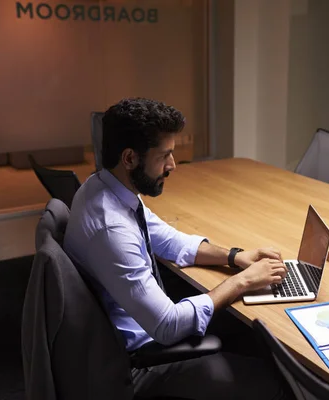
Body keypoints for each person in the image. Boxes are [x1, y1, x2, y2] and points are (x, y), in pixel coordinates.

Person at [64, 98, 290, 400]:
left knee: (251, 329)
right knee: (278, 381)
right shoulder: (111, 227)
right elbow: (167, 325)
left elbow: (168, 239)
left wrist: (235, 257)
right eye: (165, 156)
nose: (172, 165)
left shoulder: (105, 187)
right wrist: (243, 281)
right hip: (141, 359)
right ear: (130, 158)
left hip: (132, 326)